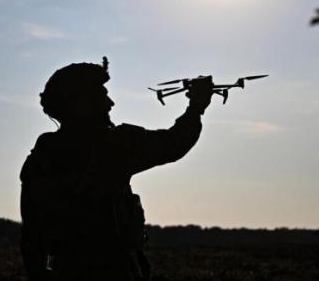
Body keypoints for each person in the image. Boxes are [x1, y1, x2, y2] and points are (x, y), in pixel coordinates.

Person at [19, 57, 213, 281]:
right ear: (82, 104)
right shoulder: (114, 145)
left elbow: (31, 236)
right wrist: (196, 107)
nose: (111, 103)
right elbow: (175, 143)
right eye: (102, 96)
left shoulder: (39, 160)